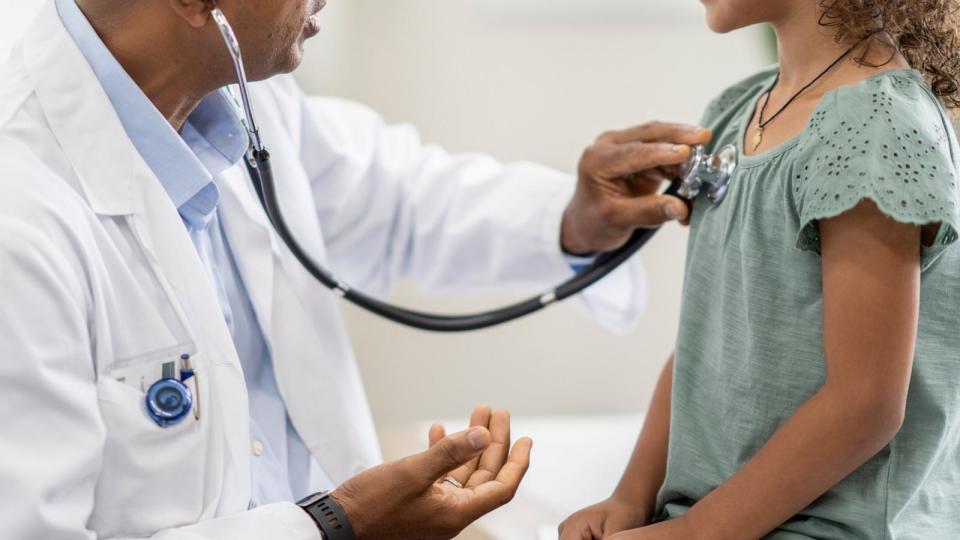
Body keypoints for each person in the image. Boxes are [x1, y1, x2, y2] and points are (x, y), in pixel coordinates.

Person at [0, 0, 710, 538]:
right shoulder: (21, 206)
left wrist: (575, 217)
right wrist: (338, 524)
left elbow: (399, 201)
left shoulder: (246, 100)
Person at [560, 0, 960, 538]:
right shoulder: (734, 114)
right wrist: (631, 497)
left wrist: (696, 532)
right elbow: (705, 344)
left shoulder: (874, 127)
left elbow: (864, 404)